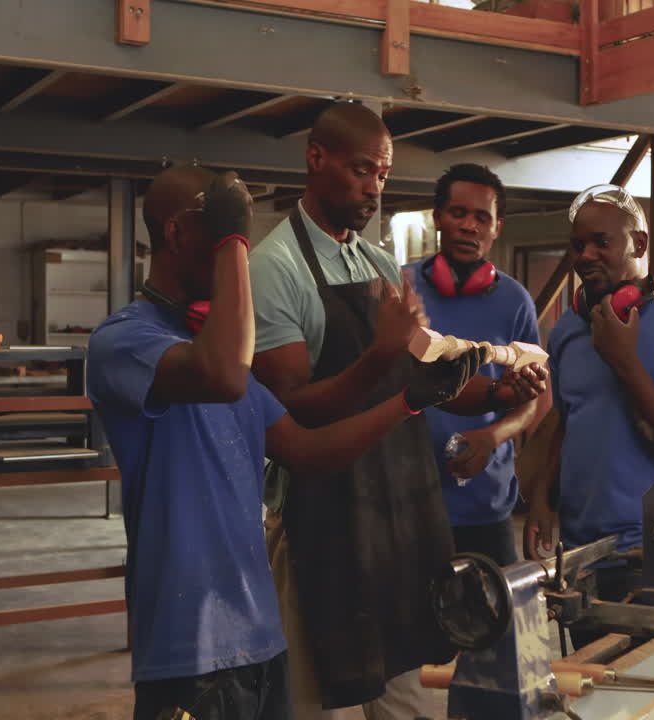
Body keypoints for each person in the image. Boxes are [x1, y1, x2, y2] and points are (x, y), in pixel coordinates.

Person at [87, 166, 481, 720]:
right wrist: (237, 237)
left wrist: (409, 402)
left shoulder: (219, 348)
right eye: (226, 238)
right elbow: (222, 375)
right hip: (188, 640)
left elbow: (305, 449)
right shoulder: (127, 341)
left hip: (260, 630)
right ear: (177, 235)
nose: (240, 260)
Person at [250, 102, 547, 719]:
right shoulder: (274, 268)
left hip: (392, 514)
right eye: (362, 170)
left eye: (382, 175)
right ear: (316, 159)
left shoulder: (376, 262)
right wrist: (378, 354)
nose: (373, 187)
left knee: (406, 696)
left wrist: (498, 394)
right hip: (318, 523)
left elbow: (423, 374)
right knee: (321, 698)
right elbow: (291, 413)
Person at [524, 184, 654, 719]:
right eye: (577, 245)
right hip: (583, 553)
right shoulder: (568, 328)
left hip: (653, 555)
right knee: (590, 703)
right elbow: (564, 417)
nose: (584, 256)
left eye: (600, 243)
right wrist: (542, 498)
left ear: (639, 240)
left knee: (652, 703)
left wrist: (626, 362)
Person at [404, 163, 552, 568]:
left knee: (490, 626)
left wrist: (492, 435)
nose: (469, 226)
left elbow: (532, 400)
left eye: (481, 217)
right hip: (405, 504)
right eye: (458, 213)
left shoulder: (516, 302)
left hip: (485, 508)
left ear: (497, 227)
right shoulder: (401, 289)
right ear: (437, 217)